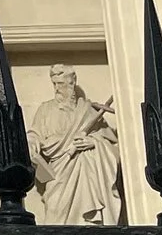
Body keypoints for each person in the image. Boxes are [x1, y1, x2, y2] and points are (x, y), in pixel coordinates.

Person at [26, 64, 125, 226]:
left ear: (72, 83)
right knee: (56, 211)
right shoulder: (45, 109)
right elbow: (35, 134)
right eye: (54, 84)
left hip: (86, 172)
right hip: (59, 170)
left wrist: (93, 142)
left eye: (61, 84)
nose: (57, 89)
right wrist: (31, 145)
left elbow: (113, 148)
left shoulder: (89, 111)